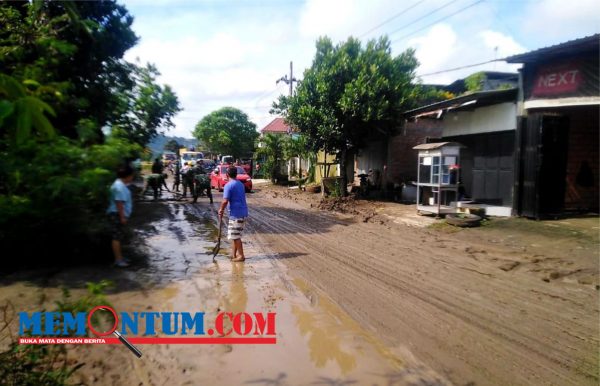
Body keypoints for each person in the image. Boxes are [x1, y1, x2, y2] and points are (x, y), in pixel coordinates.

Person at [107, 164, 135, 268]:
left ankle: (120, 257)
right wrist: (122, 217)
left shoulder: (120, 184)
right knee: (116, 238)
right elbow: (119, 202)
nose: (132, 178)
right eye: (132, 175)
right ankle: (118, 260)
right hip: (117, 214)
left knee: (119, 237)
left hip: (117, 214)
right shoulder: (119, 186)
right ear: (127, 175)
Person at [218, 166, 248, 262]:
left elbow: (225, 200)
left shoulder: (228, 185)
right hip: (243, 212)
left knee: (235, 236)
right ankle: (233, 254)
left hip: (236, 214)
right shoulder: (240, 184)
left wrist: (221, 210)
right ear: (236, 174)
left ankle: (241, 256)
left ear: (227, 175)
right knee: (235, 235)